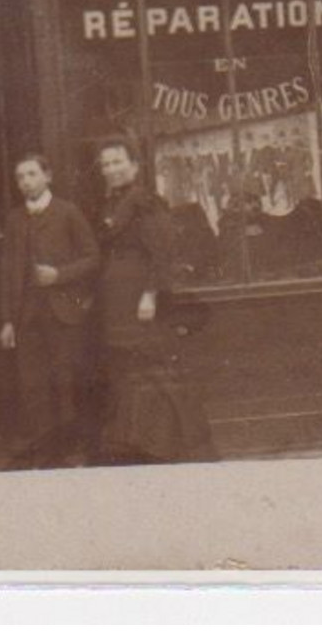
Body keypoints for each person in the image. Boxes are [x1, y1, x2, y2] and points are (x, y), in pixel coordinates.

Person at [93, 138, 215, 465]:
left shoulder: (146, 202)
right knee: (131, 371)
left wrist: (149, 294)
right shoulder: (111, 203)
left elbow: (163, 252)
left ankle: (181, 445)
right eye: (105, 164)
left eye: (118, 162)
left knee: (153, 368)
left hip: (139, 296)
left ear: (135, 165)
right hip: (117, 298)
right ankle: (143, 442)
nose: (112, 169)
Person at [0, 153, 100, 466]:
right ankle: (45, 451)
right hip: (27, 316)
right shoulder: (15, 219)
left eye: (31, 174)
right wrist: (7, 320)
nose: (26, 182)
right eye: (20, 177)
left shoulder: (67, 212)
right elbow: (8, 271)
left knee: (65, 381)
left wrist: (59, 275)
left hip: (63, 314)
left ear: (47, 176)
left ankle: (71, 450)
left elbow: (92, 257)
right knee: (33, 386)